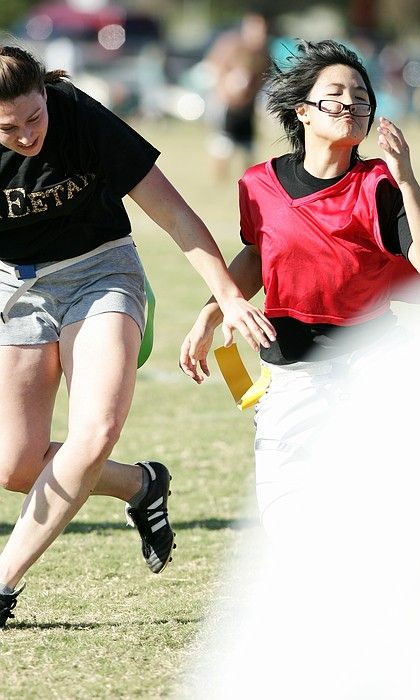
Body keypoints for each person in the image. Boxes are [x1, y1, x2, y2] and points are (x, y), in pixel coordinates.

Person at [0, 44, 275, 629]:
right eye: (8, 128)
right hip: (17, 290)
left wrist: (227, 294)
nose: (27, 136)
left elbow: (173, 214)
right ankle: (141, 484)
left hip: (101, 271)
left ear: (45, 96)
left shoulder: (78, 114)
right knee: (16, 467)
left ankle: (3, 583)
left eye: (34, 117)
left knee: (93, 430)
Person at [180, 39, 420, 540]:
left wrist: (408, 180)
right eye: (335, 94)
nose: (350, 103)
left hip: (376, 360)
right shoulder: (258, 184)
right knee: (286, 521)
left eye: (361, 96)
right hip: (293, 373)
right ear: (302, 111)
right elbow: (260, 256)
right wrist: (212, 312)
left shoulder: (379, 185)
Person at [203, 12, 271, 181]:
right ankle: (220, 179)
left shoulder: (263, 52)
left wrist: (252, 93)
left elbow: (264, 76)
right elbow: (214, 67)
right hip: (226, 103)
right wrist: (225, 88)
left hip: (247, 105)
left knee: (248, 145)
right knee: (223, 144)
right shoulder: (232, 45)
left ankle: (248, 180)